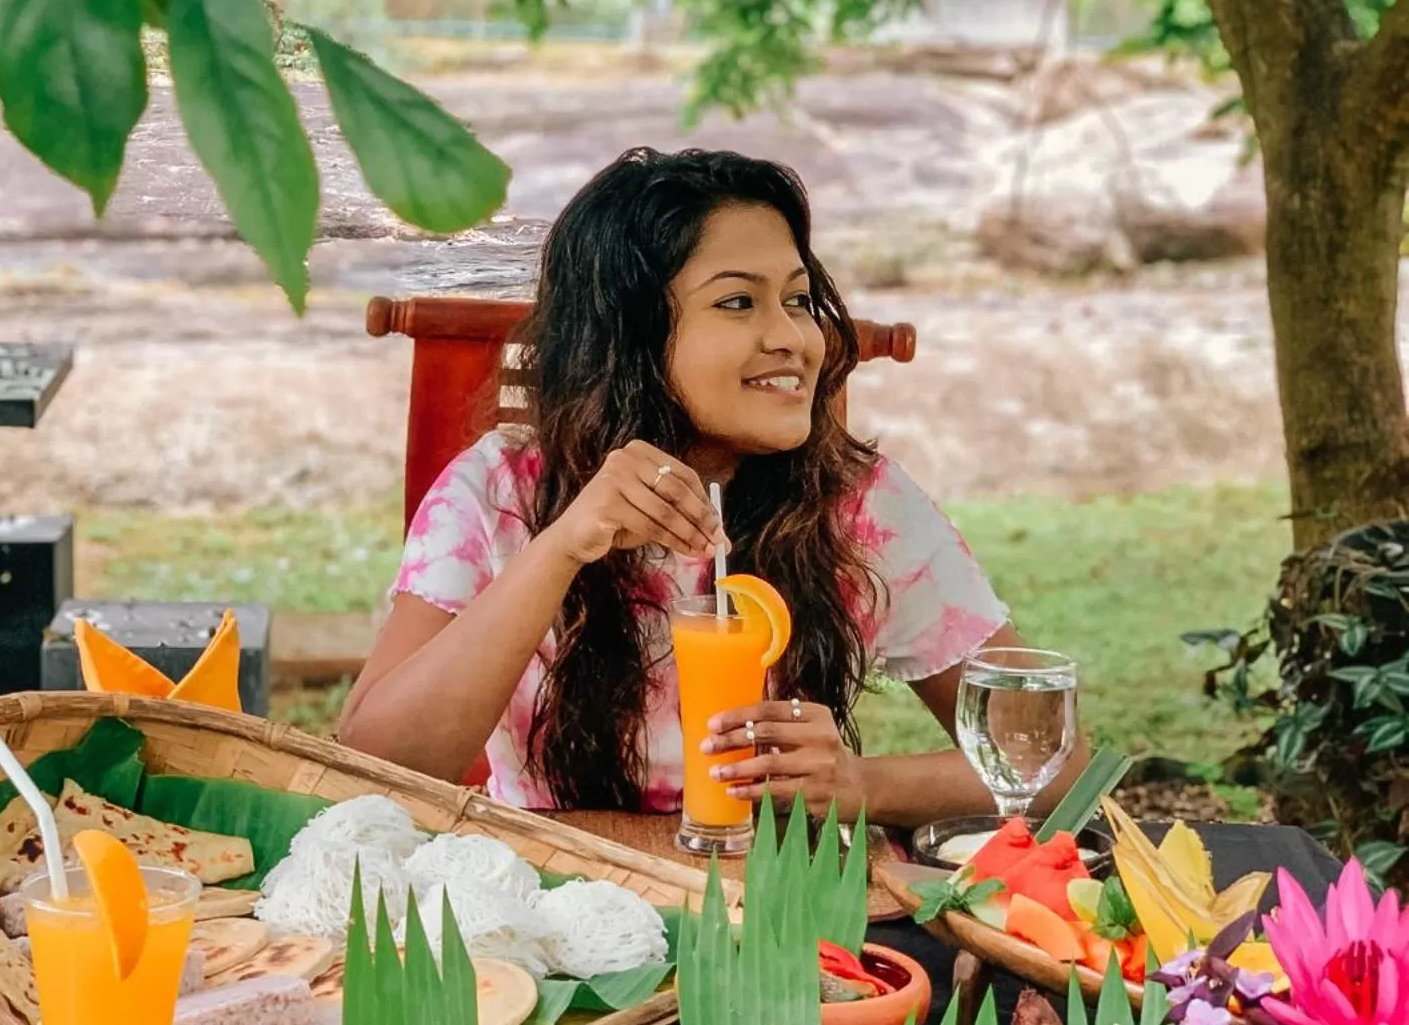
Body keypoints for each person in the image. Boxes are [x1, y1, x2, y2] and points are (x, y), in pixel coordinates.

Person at [341, 147, 1083, 822]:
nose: (792, 337)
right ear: (627, 333)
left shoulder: (859, 506)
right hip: (554, 912)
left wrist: (862, 785)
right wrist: (561, 548)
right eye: (738, 302)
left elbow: (1051, 760)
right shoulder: (499, 491)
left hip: (768, 916)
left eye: (796, 299)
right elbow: (370, 771)